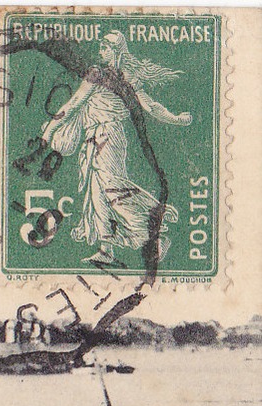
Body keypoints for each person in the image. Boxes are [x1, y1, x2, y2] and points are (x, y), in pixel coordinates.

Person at [41, 31, 190, 264]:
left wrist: (176, 119)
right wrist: (49, 131)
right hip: (95, 138)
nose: (101, 48)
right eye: (101, 44)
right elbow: (73, 105)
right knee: (97, 193)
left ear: (117, 50)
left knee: (112, 189)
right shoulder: (98, 73)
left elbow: (150, 106)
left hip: (108, 137)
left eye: (106, 45)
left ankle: (155, 236)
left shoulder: (110, 76)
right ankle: (106, 249)